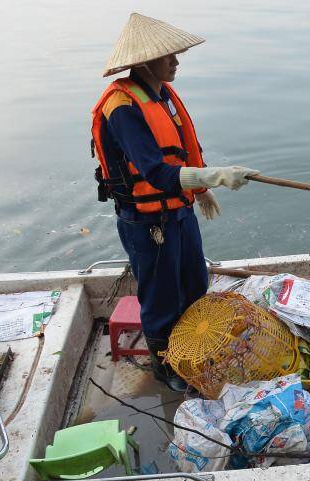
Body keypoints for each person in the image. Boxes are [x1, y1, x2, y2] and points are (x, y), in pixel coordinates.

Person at [91, 13, 259, 391]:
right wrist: (216, 176)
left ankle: (193, 349)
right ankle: (166, 366)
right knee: (161, 297)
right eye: (168, 56)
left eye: (175, 54)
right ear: (144, 62)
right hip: (146, 220)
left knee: (195, 281)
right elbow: (155, 172)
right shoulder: (122, 107)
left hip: (178, 210)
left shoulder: (162, 94)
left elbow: (180, 152)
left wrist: (200, 191)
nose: (176, 61)